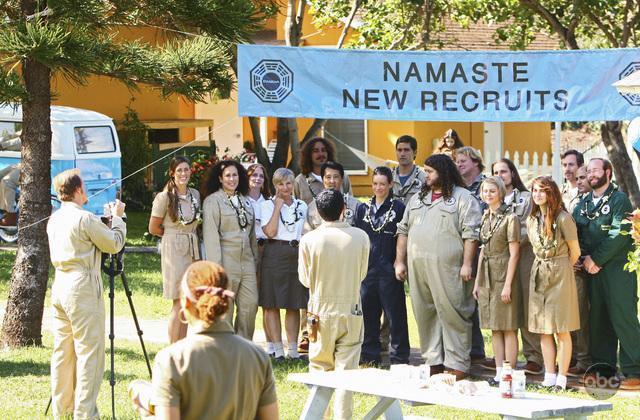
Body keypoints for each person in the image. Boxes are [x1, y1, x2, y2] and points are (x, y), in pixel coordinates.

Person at [129, 261, 279, 419]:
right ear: (227, 302)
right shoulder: (258, 357)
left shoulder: (172, 360)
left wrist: (147, 414)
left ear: (186, 302)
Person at [47, 169, 126, 418]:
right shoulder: (85, 218)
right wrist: (119, 219)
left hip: (60, 284)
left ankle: (64, 410)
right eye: (84, 186)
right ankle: (85, 413)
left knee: (63, 353)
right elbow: (113, 244)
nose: (87, 190)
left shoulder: (54, 219)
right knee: (89, 353)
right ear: (78, 190)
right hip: (82, 285)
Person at [395, 154, 482, 380]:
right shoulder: (417, 199)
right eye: (425, 171)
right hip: (418, 267)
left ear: (443, 172)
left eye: (430, 171)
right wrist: (399, 260)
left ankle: (458, 363)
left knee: (453, 312)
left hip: (449, 267)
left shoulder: (463, 198)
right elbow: (403, 230)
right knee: (424, 313)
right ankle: (434, 360)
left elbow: (471, 234)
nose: (426, 175)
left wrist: (467, 264)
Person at [298, 190, 370, 419]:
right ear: (343, 209)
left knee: (319, 368)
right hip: (350, 307)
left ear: (318, 213)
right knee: (346, 374)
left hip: (319, 308)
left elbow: (304, 278)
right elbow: (362, 272)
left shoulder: (309, 240)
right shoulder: (360, 237)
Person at [573, 158, 640, 390]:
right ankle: (604, 370)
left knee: (623, 318)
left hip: (617, 270)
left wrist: (596, 259)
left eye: (595, 170)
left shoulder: (620, 200)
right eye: (588, 171)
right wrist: (582, 258)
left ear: (608, 172)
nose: (591, 174)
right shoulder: (582, 204)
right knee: (598, 320)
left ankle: (634, 371)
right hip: (591, 271)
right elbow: (576, 234)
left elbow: (619, 234)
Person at [526, 176, 581, 390]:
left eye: (543, 190)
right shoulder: (531, 219)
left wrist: (562, 268)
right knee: (544, 328)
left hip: (560, 272)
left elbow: (575, 252)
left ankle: (562, 377)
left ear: (552, 193)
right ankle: (549, 376)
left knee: (562, 328)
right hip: (539, 271)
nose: (538, 194)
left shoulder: (564, 218)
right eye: (534, 190)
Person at [492, 158, 544, 375]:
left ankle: (534, 356)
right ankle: (504, 359)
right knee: (508, 305)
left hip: (525, 256)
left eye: (504, 171)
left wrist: (509, 240)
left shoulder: (525, 198)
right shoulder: (493, 202)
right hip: (501, 261)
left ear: (512, 174)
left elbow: (530, 225)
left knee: (527, 303)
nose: (500, 175)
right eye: (496, 172)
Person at [355, 166, 410, 366]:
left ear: (390, 185)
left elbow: (402, 237)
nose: (379, 187)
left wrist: (399, 261)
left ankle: (399, 356)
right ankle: (369, 355)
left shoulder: (398, 208)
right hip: (367, 269)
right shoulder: (363, 209)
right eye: (375, 183)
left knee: (395, 314)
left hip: (389, 268)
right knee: (368, 313)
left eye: (382, 184)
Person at [472, 176, 521, 385]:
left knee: (508, 326)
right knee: (494, 326)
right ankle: (499, 371)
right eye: (485, 191)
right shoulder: (485, 216)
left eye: (492, 191)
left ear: (500, 192)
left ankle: (511, 370)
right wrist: (477, 281)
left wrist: (508, 284)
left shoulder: (510, 218)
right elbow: (482, 249)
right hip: (487, 274)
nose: (488, 194)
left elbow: (515, 254)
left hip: (503, 272)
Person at [202, 160, 258, 340]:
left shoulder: (245, 201)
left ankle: (243, 347)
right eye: (227, 175)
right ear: (220, 178)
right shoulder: (213, 201)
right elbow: (211, 238)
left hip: (247, 262)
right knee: (225, 307)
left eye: (235, 175)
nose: (232, 179)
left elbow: (251, 236)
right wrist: (216, 271)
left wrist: (255, 262)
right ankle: (224, 348)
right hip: (226, 261)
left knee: (250, 305)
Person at [148, 156, 201, 343]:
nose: (183, 173)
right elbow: (153, 228)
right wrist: (174, 236)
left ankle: (183, 344)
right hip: (174, 247)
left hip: (192, 246)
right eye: (179, 170)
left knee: (188, 299)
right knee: (178, 300)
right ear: (172, 173)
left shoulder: (195, 194)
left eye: (186, 169)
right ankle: (173, 347)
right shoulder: (164, 197)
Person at [260, 168, 308, 360]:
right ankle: (278, 350)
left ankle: (293, 350)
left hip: (296, 253)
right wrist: (278, 207)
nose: (285, 187)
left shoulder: (302, 205)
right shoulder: (266, 205)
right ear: (275, 185)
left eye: (288, 183)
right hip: (274, 252)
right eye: (280, 183)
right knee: (271, 303)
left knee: (293, 303)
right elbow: (270, 232)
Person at [455, 146, 487, 365]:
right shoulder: (455, 187)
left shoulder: (486, 185)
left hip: (483, 249)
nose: (459, 164)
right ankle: (469, 349)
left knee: (480, 300)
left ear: (476, 162)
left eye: (463, 161)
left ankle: (481, 350)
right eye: (457, 161)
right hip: (459, 247)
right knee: (462, 299)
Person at [567, 165, 593, 377]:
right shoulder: (577, 204)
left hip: (594, 263)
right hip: (575, 265)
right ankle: (575, 357)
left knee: (585, 316)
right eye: (578, 178)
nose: (580, 181)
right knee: (574, 314)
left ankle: (585, 359)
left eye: (583, 177)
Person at [247, 163, 272, 353]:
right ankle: (247, 340)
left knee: (266, 297)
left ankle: (271, 343)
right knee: (250, 297)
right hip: (248, 249)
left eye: (261, 176)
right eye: (254, 175)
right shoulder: (241, 201)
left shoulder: (268, 203)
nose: (257, 178)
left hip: (267, 249)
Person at [294, 137, 351, 204]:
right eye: (316, 151)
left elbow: (351, 203)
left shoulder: (342, 176)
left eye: (323, 150)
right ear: (308, 155)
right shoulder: (300, 181)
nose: (321, 154)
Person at [305, 161, 360, 231]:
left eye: (336, 177)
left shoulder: (355, 205)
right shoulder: (312, 207)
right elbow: (307, 234)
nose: (332, 181)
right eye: (328, 177)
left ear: (342, 179)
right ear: (322, 179)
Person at [392, 135, 427, 205]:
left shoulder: (424, 178)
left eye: (406, 150)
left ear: (415, 153)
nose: (402, 154)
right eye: (399, 150)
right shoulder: (389, 177)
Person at [0, 132, 21, 226]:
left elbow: (22, 141)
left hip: (35, 165)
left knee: (7, 181)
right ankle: (3, 209)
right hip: (25, 163)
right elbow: (16, 135)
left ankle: (11, 216)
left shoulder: (44, 124)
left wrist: (3, 145)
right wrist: (4, 138)